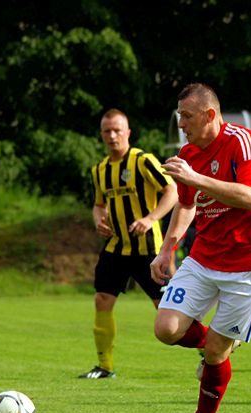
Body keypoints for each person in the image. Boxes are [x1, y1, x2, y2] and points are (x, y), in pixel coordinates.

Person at [151, 83, 251, 413]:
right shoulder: (188, 152)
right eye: (179, 115)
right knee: (166, 328)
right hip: (204, 256)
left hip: (250, 262)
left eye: (186, 116)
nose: (180, 123)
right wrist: (167, 249)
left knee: (217, 351)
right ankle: (212, 347)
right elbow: (186, 204)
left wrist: (194, 177)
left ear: (209, 115)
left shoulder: (242, 141)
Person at [79, 109, 178, 379]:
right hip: (115, 248)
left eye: (117, 130)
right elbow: (99, 205)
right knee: (102, 299)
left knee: (168, 309)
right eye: (107, 131)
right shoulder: (100, 170)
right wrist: (99, 220)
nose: (112, 136)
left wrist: (151, 218)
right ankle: (105, 366)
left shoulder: (143, 161)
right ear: (101, 134)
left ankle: (206, 350)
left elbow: (171, 190)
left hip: (148, 248)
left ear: (128, 132)